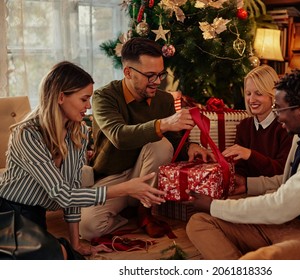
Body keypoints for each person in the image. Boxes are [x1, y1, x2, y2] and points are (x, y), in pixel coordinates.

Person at [186, 66, 300, 260]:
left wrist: (214, 205)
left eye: (279, 109)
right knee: (200, 222)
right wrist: (247, 185)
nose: (277, 117)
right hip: (288, 221)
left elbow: (279, 206)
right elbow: (289, 182)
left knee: (256, 261)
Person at [0, 61, 167, 259]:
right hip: (7, 213)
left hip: (34, 216)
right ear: (61, 97)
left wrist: (76, 244)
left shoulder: (78, 133)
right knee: (55, 257)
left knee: (66, 256)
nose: (89, 106)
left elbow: (72, 189)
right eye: (84, 99)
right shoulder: (27, 134)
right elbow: (62, 195)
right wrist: (126, 188)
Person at [79, 37, 210, 241]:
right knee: (88, 228)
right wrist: (164, 123)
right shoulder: (104, 97)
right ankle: (128, 214)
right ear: (128, 72)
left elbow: (173, 141)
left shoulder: (164, 99)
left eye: (160, 74)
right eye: (150, 75)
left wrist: (192, 145)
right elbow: (119, 136)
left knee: (160, 144)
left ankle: (144, 211)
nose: (157, 81)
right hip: (112, 179)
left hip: (147, 174)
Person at [222, 65, 292, 194]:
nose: (251, 99)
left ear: (273, 95)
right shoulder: (244, 126)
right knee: (198, 215)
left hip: (275, 194)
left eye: (258, 93)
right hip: (246, 191)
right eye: (248, 94)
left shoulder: (285, 127)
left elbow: (283, 171)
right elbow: (241, 168)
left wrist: (250, 155)